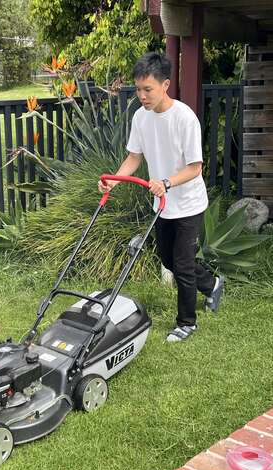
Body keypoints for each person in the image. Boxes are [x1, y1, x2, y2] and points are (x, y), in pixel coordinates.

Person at [98, 52, 224, 342]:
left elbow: (195, 168)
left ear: (165, 85)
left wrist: (166, 182)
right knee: (169, 260)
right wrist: (113, 181)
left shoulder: (184, 118)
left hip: (188, 203)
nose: (142, 96)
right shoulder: (141, 118)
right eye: (139, 89)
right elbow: (134, 157)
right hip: (162, 203)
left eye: (148, 89)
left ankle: (186, 323)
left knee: (181, 263)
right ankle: (213, 283)